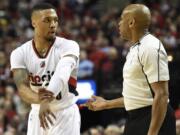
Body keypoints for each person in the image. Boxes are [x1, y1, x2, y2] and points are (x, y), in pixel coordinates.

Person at [82, 4, 176, 135]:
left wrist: (153, 132)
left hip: (153, 120)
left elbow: (161, 95)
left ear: (131, 22)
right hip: (136, 118)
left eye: (121, 19)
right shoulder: (136, 48)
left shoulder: (150, 48)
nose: (119, 24)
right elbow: (139, 98)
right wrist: (106, 104)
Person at [10, 3, 80, 135]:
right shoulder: (19, 53)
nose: (53, 24)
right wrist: (40, 101)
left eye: (55, 20)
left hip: (64, 112)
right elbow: (22, 88)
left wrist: (45, 100)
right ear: (34, 23)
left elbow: (61, 75)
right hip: (38, 111)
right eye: (47, 20)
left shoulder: (69, 46)